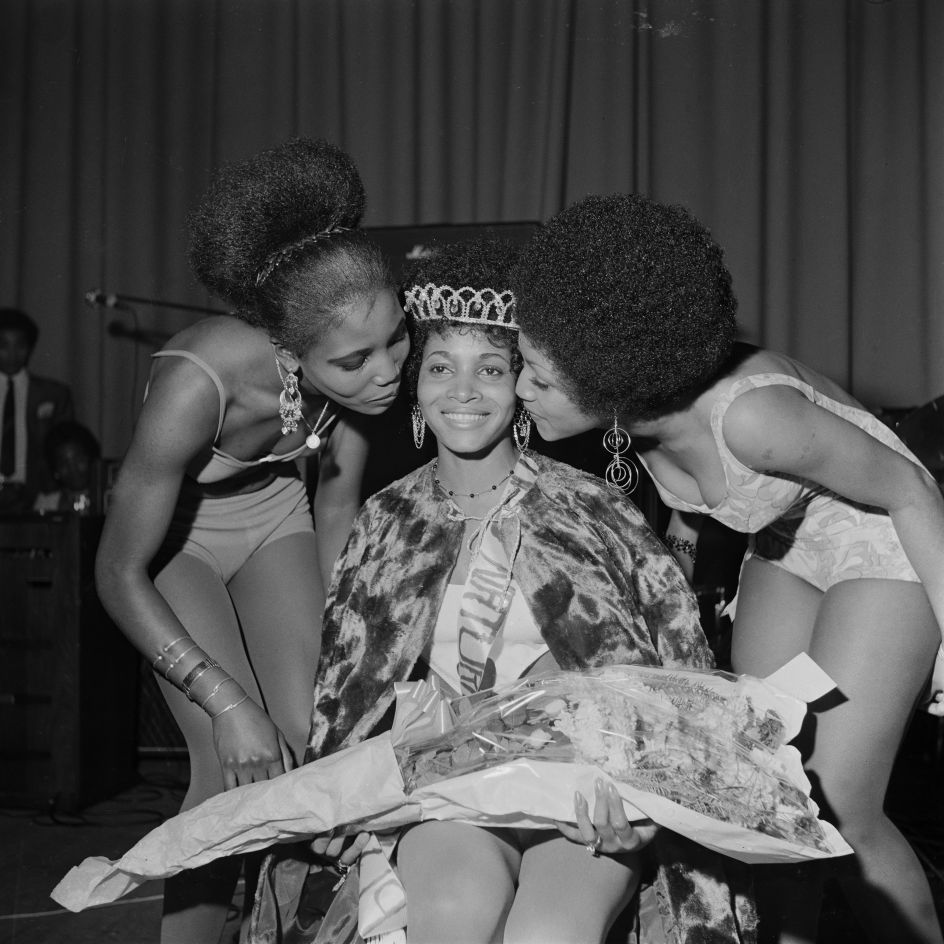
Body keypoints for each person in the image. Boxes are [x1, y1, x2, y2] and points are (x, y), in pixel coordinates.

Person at [251, 236, 756, 944]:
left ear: (522, 384)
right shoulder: (388, 521)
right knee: (455, 917)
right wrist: (344, 793)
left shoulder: (591, 510)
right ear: (416, 384)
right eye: (441, 367)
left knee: (549, 934)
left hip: (581, 787)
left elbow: (673, 670)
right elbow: (350, 692)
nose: (463, 391)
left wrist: (647, 807)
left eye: (490, 368)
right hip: (450, 786)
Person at [509, 193, 944, 944]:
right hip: (785, 540)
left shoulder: (753, 418)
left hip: (884, 532)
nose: (521, 389)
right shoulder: (632, 414)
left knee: (842, 803)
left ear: (610, 375)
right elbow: (685, 535)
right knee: (766, 790)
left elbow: (910, 488)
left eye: (541, 380)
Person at [94, 138, 409, 944]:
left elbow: (334, 511)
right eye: (356, 359)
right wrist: (228, 701)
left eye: (397, 339)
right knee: (229, 761)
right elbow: (117, 570)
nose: (387, 372)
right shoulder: (196, 382)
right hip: (177, 544)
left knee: (307, 746)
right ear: (290, 352)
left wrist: (342, 654)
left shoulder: (350, 382)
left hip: (275, 518)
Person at [0, 307, 74, 513]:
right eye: (3, 346)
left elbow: (64, 445)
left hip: (38, 497)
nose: (12, 354)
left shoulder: (54, 394)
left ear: (30, 347)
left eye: (20, 345)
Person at [33, 420, 101, 514]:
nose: (73, 469)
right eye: (63, 463)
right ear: (55, 470)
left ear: (91, 459)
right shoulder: (46, 503)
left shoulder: (108, 501)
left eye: (79, 459)